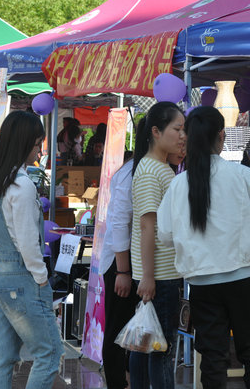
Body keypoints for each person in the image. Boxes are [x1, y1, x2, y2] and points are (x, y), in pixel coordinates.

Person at [157, 106, 250, 389]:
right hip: (243, 281)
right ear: (221, 137)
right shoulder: (241, 175)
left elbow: (164, 235)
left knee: (213, 358)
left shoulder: (178, 184)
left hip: (202, 284)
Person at [0, 111, 64, 388]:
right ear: (24, 142)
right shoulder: (21, 184)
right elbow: (27, 242)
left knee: (2, 357)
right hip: (21, 278)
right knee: (49, 354)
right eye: (38, 143)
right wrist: (41, 279)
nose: (39, 149)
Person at [129, 102, 186, 389]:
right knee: (160, 351)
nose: (182, 135)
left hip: (159, 273)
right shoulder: (152, 170)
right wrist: (149, 276)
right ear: (155, 131)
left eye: (183, 129)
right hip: (158, 276)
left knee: (146, 343)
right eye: (177, 129)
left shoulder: (161, 167)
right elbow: (147, 226)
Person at [99, 150, 139, 389]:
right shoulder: (129, 174)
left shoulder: (153, 169)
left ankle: (127, 378)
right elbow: (119, 223)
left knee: (133, 328)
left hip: (131, 261)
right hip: (120, 262)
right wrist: (123, 271)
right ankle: (117, 383)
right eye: (176, 130)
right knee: (117, 329)